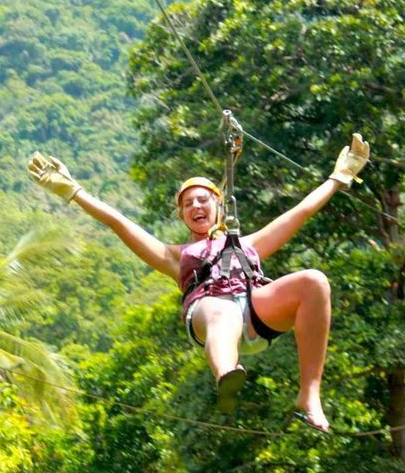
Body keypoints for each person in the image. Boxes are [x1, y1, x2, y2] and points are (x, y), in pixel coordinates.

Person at [26, 134, 370, 433]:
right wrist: (73, 191)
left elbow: (301, 211)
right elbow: (118, 222)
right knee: (222, 313)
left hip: (255, 311)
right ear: (182, 216)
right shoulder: (175, 256)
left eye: (203, 199)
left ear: (219, 205)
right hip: (210, 314)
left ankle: (309, 393)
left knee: (314, 281)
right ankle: (226, 374)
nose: (196, 206)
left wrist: (338, 178)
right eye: (188, 203)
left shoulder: (247, 244)